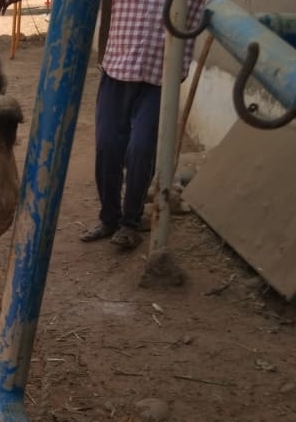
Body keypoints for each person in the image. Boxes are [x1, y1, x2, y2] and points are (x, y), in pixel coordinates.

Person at [80, 0, 205, 248]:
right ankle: (109, 219)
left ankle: (130, 223)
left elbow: (207, 14)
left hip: (158, 79)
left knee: (141, 149)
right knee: (106, 147)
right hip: (117, 70)